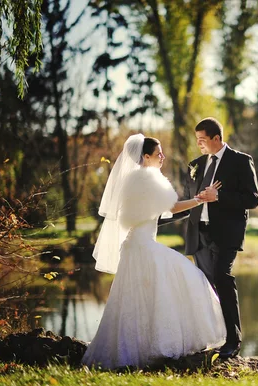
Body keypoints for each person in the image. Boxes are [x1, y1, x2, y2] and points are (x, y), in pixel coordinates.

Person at [81, 134, 226, 369]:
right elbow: (172, 208)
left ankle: (132, 350)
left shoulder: (133, 180)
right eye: (158, 153)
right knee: (188, 276)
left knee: (134, 301)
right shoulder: (148, 179)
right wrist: (200, 200)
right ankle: (156, 347)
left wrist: (195, 203)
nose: (163, 157)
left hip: (133, 246)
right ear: (145, 156)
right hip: (143, 246)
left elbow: (158, 215)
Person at [180, 117, 258, 359]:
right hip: (199, 233)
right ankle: (211, 335)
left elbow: (252, 199)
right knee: (205, 284)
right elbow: (188, 201)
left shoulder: (240, 161)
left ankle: (233, 341)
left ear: (217, 138)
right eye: (197, 140)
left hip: (227, 233)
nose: (199, 145)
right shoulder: (195, 164)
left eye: (203, 140)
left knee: (222, 278)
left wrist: (219, 197)